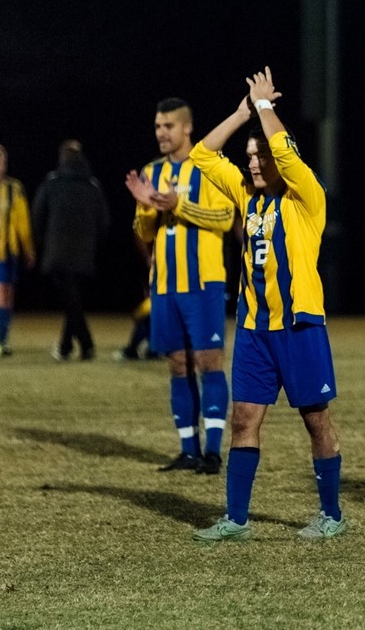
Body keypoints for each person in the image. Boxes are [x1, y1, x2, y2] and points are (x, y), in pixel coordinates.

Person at [189, 67, 345, 541]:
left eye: (261, 157)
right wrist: (241, 114)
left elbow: (282, 149)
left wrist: (264, 107)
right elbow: (202, 154)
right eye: (249, 157)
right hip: (255, 330)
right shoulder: (246, 197)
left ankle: (332, 515)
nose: (254, 164)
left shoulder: (306, 197)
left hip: (300, 327)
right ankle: (236, 519)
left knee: (316, 421)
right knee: (244, 420)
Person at [123, 98, 234, 475]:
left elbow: (224, 217)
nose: (161, 133)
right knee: (177, 364)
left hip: (203, 282)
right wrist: (146, 208)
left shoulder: (208, 166)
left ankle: (213, 452)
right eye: (157, 126)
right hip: (165, 286)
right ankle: (188, 450)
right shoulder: (152, 171)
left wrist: (178, 204)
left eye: (168, 126)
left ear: (187, 128)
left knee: (208, 362)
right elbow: (143, 233)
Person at [31, 140, 110, 361]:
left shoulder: (51, 182)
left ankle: (81, 345)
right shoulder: (92, 185)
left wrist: (44, 242)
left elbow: (37, 217)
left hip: (56, 252)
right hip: (85, 253)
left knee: (70, 300)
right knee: (73, 299)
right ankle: (73, 346)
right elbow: (104, 222)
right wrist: (93, 243)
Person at [0, 144, 35, 358]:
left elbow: (23, 221)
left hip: (6, 252)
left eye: (1, 162)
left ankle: (0, 342)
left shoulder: (14, 188)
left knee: (3, 295)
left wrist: (28, 248)